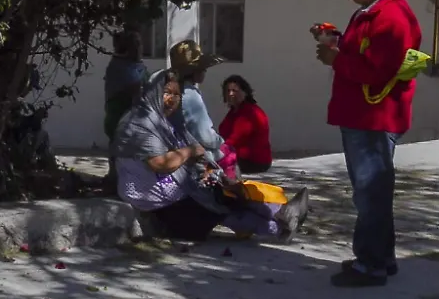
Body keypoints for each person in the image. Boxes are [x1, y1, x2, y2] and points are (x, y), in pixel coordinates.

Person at [318, 0, 422, 287]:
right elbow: (367, 54)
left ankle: (371, 265)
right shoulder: (374, 11)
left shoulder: (389, 17)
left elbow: (377, 71)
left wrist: (335, 59)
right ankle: (381, 258)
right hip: (366, 114)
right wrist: (338, 44)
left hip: (372, 117)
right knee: (373, 192)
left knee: (370, 193)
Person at [111, 70, 304, 243]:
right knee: (220, 201)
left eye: (177, 95)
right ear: (153, 92)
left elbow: (180, 154)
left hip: (166, 191)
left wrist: (203, 167)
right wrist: (190, 152)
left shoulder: (160, 121)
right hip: (152, 197)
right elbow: (160, 163)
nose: (172, 99)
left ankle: (280, 218)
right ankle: (279, 221)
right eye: (167, 93)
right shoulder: (140, 123)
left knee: (222, 191)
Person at [166, 41, 224, 171]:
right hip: (186, 157)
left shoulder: (168, 89)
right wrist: (221, 141)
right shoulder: (190, 95)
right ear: (194, 71)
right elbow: (205, 135)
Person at [101, 30, 148, 185]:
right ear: (130, 48)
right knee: (120, 153)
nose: (141, 48)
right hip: (119, 118)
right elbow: (136, 88)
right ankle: (116, 183)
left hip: (129, 119)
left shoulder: (135, 65)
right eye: (138, 45)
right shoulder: (120, 67)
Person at [217, 74, 273, 174]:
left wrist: (215, 152)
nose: (230, 94)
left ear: (245, 92)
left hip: (254, 161)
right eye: (227, 91)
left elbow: (235, 140)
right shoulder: (234, 111)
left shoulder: (249, 112)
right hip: (237, 157)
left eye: (235, 91)